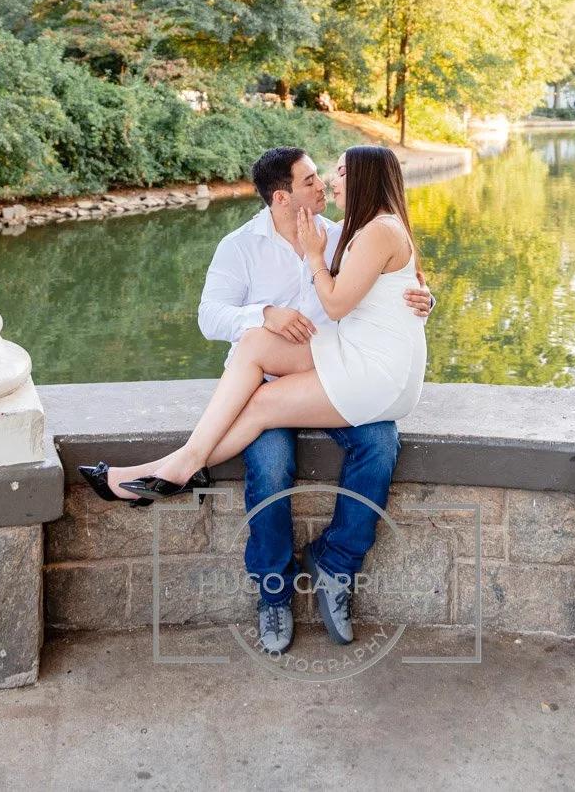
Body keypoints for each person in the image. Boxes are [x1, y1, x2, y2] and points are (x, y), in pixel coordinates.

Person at [79, 144, 432, 654]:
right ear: (283, 197)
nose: (324, 186)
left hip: (340, 371)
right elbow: (209, 317)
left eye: (329, 176)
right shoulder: (240, 246)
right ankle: (273, 592)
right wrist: (264, 312)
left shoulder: (338, 234)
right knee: (268, 464)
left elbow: (391, 284)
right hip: (273, 376)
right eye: (312, 181)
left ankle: (336, 565)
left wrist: (427, 298)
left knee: (380, 444)